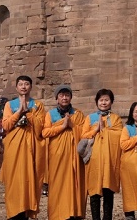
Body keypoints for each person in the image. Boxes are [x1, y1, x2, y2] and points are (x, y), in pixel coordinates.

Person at [0, 75, 45, 220]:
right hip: (14, 148)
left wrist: (29, 113)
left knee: (29, 181)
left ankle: (26, 211)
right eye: (21, 84)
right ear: (16, 87)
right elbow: (6, 126)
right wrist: (19, 111)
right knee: (14, 181)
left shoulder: (38, 105)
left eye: (26, 84)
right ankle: (14, 212)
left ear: (31, 87)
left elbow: (40, 128)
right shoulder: (9, 105)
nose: (24, 86)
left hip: (32, 149)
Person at [42, 84, 86, 220]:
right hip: (57, 156)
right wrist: (62, 126)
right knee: (57, 185)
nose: (64, 98)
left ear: (71, 98)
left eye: (67, 95)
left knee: (74, 185)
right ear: (57, 98)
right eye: (61, 95)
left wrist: (72, 126)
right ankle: (57, 214)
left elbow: (84, 134)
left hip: (74, 157)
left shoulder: (78, 114)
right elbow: (45, 132)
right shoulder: (50, 115)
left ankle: (74, 212)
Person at [81, 88, 123, 220]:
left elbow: (119, 134)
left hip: (109, 161)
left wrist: (105, 131)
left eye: (106, 100)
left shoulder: (115, 118)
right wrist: (96, 130)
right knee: (94, 193)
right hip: (94, 160)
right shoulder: (90, 118)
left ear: (111, 102)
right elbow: (84, 135)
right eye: (101, 100)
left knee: (108, 192)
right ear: (96, 102)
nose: (104, 103)